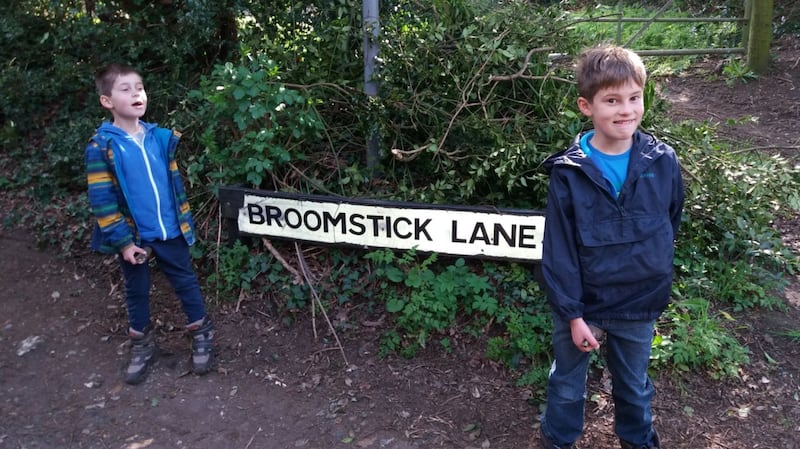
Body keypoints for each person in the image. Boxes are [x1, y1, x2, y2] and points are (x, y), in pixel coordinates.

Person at [538, 45, 684, 449]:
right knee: (567, 385)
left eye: (634, 98)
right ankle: (557, 440)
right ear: (586, 106)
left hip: (639, 304)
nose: (626, 110)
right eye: (612, 100)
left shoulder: (662, 161)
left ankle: (638, 442)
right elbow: (559, 249)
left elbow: (669, 222)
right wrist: (573, 314)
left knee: (635, 388)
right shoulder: (569, 173)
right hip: (584, 307)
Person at [85, 63, 214, 385]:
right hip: (134, 236)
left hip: (170, 229)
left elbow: (174, 186)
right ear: (107, 101)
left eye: (139, 87)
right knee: (137, 290)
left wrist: (184, 222)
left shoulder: (159, 138)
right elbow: (102, 200)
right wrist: (124, 242)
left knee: (185, 281)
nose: (136, 94)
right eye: (125, 89)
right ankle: (142, 344)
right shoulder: (103, 146)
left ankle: (201, 333)